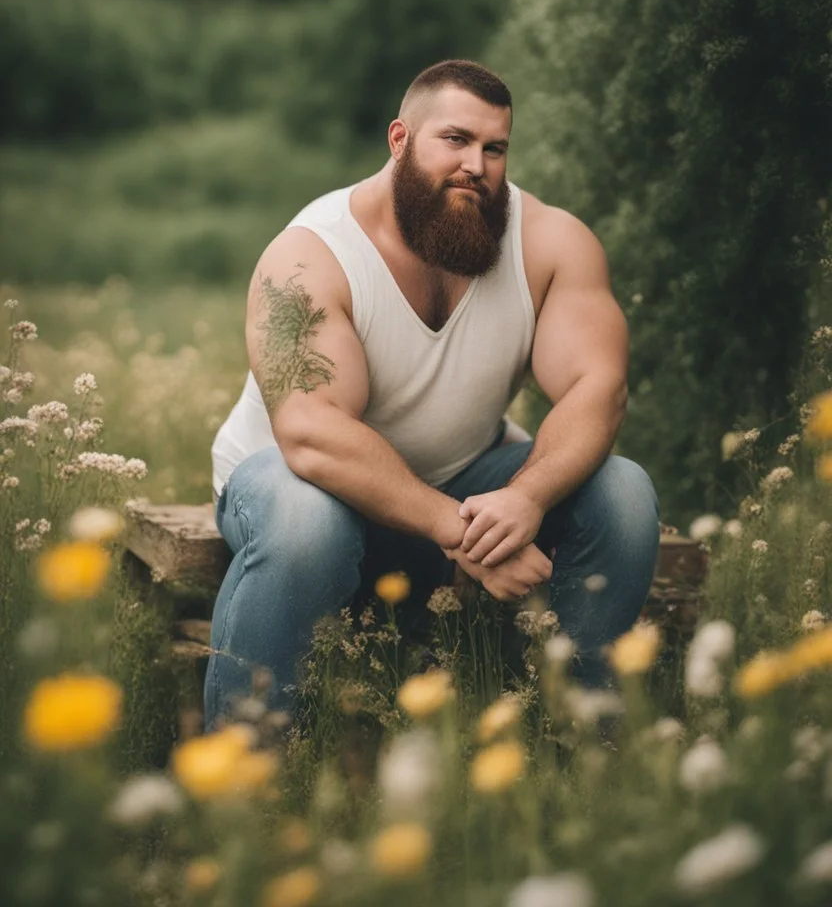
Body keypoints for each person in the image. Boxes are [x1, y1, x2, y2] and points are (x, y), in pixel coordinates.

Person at [205, 59, 659, 729]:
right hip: (303, 490)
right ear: (399, 140)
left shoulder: (551, 244)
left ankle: (591, 746)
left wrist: (525, 497)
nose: (477, 164)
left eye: (494, 148)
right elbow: (310, 432)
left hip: (464, 480)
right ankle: (240, 776)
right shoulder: (310, 254)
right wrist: (463, 531)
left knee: (622, 494)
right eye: (455, 139)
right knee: (306, 523)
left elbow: (600, 388)